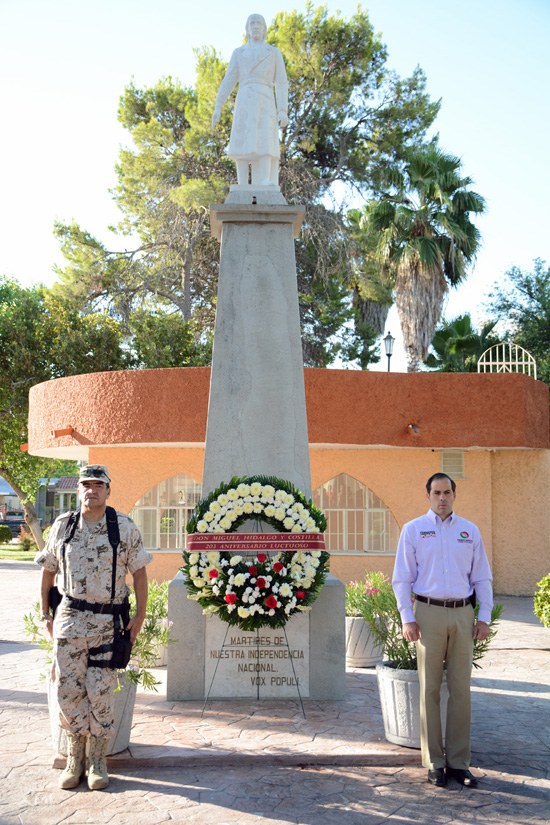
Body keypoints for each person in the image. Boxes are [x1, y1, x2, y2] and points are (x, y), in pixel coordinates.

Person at [35, 464, 152, 791]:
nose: (92, 490)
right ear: (78, 490)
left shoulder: (123, 528)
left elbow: (140, 573)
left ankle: (98, 759)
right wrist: (46, 614)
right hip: (70, 620)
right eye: (86, 484)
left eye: (98, 485)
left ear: (108, 490)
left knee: (100, 691)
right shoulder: (63, 527)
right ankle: (76, 758)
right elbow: (47, 571)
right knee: (68, 690)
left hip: (107, 625)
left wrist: (139, 616)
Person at [392, 473, 493, 789]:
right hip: (428, 615)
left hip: (463, 614)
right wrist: (407, 618)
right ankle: (435, 763)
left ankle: (459, 764)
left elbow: (482, 578)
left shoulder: (469, 531)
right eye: (436, 493)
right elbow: (402, 579)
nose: (442, 498)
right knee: (430, 689)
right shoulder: (413, 530)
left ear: (454, 494)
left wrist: (484, 616)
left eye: (447, 492)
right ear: (428, 496)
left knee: (462, 690)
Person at [212, 13, 288, 186]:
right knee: (242, 140)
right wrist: (218, 106)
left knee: (265, 139)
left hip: (265, 99)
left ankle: (264, 180)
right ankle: (242, 184)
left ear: (264, 28)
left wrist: (282, 110)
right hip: (245, 98)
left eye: (259, 23)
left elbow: (282, 82)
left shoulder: (274, 52)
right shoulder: (239, 53)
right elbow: (229, 79)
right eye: (252, 23)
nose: (255, 26)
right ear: (247, 29)